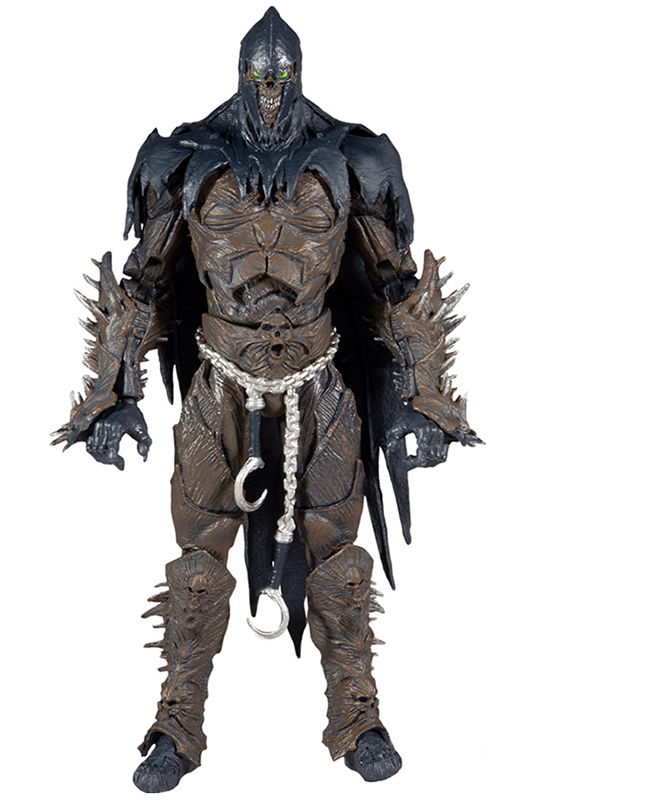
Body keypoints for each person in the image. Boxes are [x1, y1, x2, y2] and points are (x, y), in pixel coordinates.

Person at [53, 7, 479, 793]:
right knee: (196, 564)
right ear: (243, 74)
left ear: (299, 72)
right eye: (260, 76)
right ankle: (176, 726)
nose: (272, 90)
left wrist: (423, 399)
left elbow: (391, 285)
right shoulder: (185, 162)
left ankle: (358, 719)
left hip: (321, 380)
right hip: (220, 379)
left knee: (340, 561)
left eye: (282, 76)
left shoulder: (353, 161)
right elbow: (145, 283)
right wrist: (113, 394)